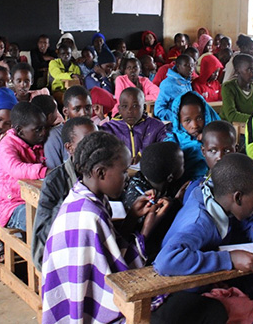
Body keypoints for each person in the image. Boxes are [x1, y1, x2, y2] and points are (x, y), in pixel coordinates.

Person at [41, 131, 170, 323]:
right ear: (100, 172)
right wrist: (145, 231)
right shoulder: (89, 215)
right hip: (84, 311)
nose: (127, 177)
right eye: (124, 171)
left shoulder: (85, 194)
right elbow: (117, 279)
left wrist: (133, 217)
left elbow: (107, 248)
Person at [154, 153, 253, 324]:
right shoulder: (199, 222)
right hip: (182, 293)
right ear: (237, 197)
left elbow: (252, 224)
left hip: (211, 282)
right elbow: (166, 261)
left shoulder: (220, 199)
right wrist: (230, 259)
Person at [31, 117, 97, 271]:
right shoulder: (55, 181)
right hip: (69, 258)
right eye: (87, 143)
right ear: (70, 148)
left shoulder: (105, 173)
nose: (96, 148)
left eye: (98, 140)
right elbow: (41, 246)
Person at [0, 102, 49, 232]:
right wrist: (43, 171)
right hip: (11, 207)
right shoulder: (7, 145)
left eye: (44, 128)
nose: (43, 133)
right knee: (42, 223)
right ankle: (41, 252)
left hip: (34, 200)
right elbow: (16, 168)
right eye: (38, 129)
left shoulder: (36, 142)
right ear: (19, 130)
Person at [101, 88, 168, 163]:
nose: (129, 110)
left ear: (144, 108)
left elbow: (165, 147)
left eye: (135, 106)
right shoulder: (109, 129)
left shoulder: (156, 127)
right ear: (119, 109)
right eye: (125, 106)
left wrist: (144, 155)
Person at [166, 91, 220, 180]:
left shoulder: (216, 135)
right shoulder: (173, 141)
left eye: (199, 118)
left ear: (205, 116)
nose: (195, 125)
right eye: (187, 120)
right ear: (178, 121)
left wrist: (208, 138)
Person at [44, 85, 93, 170]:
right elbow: (55, 174)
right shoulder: (54, 137)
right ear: (66, 111)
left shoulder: (96, 130)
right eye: (77, 109)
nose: (84, 113)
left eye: (88, 108)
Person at [155, 53, 195, 121]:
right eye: (186, 65)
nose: (190, 68)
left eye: (192, 65)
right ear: (178, 66)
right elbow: (159, 110)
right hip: (173, 123)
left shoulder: (187, 82)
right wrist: (178, 117)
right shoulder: (167, 84)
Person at [221, 54, 253, 123]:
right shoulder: (228, 87)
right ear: (237, 71)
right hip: (228, 127)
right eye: (249, 70)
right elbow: (231, 115)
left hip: (250, 126)